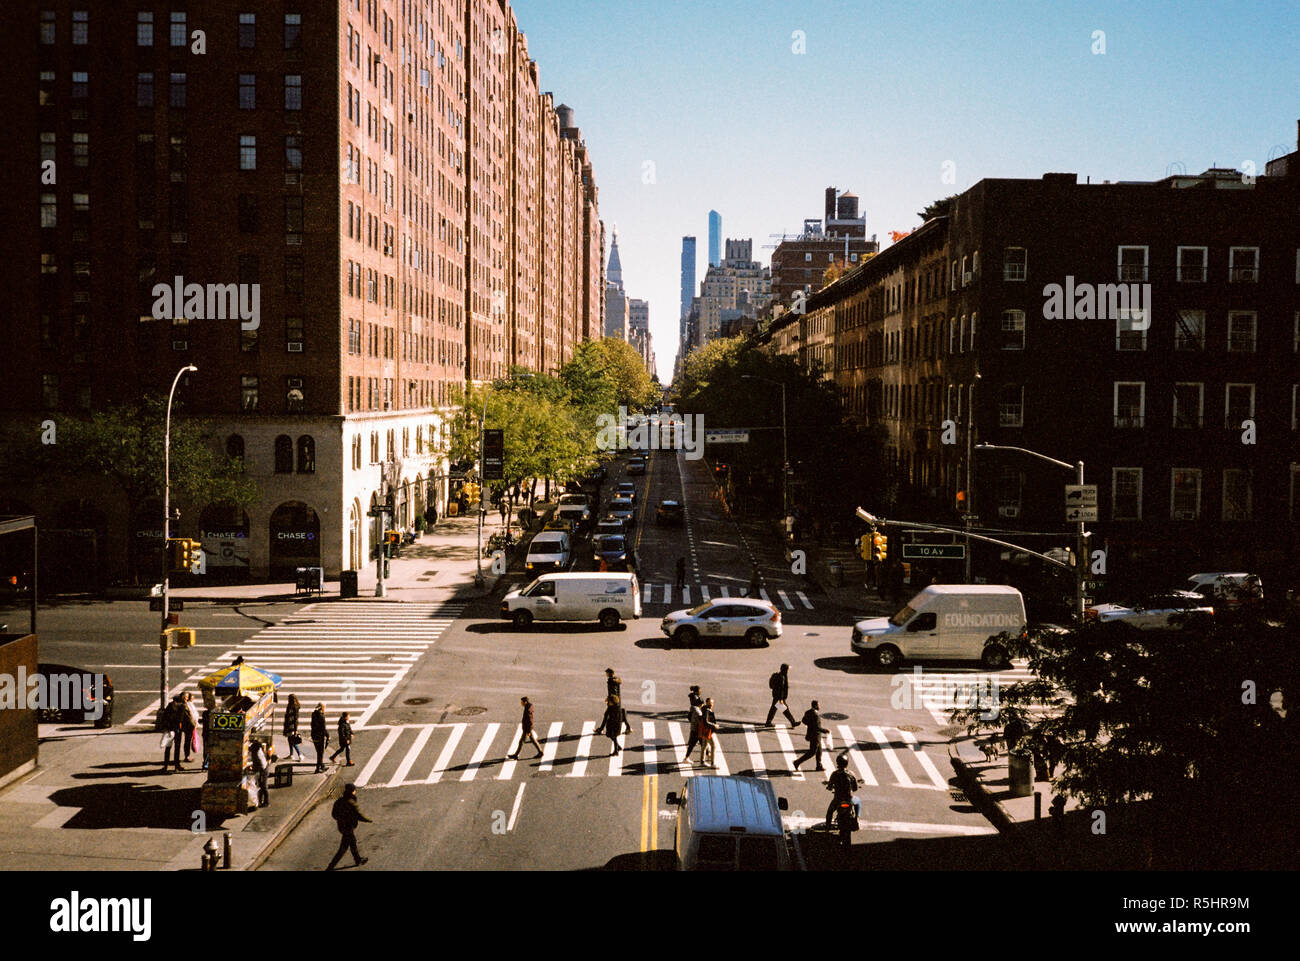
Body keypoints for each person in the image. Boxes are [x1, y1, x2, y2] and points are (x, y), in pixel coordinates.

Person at [326, 784, 371, 870]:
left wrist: (341, 819)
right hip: (348, 827)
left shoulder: (339, 801)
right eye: (354, 790)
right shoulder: (351, 802)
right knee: (343, 848)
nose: (355, 791)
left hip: (342, 827)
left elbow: (334, 814)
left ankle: (358, 859)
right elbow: (359, 815)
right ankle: (331, 866)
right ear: (352, 791)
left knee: (352, 843)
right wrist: (368, 820)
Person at [824, 753, 861, 827]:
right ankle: (856, 819)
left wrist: (829, 787)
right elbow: (855, 788)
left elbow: (830, 787)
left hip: (838, 799)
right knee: (858, 802)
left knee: (830, 812)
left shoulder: (834, 774)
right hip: (849, 798)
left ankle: (827, 826)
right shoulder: (851, 774)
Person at [792, 700, 827, 771]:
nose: (820, 706)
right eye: (819, 705)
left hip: (811, 734)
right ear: (816, 706)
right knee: (812, 752)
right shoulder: (816, 715)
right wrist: (825, 730)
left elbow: (804, 721)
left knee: (819, 751)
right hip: (815, 736)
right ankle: (797, 762)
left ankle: (819, 765)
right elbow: (817, 727)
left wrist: (810, 725)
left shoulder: (808, 712)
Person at [160, 695, 185, 772]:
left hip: (169, 729)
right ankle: (176, 765)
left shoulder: (170, 705)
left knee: (168, 748)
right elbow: (181, 718)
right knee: (176, 748)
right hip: (177, 729)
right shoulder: (182, 706)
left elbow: (165, 716)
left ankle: (166, 765)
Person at [683, 686, 703, 761]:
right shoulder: (697, 709)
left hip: (694, 723)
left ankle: (707, 754)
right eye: (700, 690)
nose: (701, 691)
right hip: (697, 729)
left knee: (697, 741)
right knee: (698, 742)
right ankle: (707, 755)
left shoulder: (693, 696)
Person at [249, 736, 270, 807]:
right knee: (261, 785)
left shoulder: (256, 754)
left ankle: (266, 802)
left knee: (263, 786)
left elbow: (260, 765)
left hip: (263, 770)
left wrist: (253, 769)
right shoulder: (259, 750)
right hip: (264, 768)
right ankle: (260, 801)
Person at [697, 697, 718, 767]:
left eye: (712, 703)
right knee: (713, 746)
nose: (711, 704)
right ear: (707, 703)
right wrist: (714, 725)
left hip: (704, 730)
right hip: (708, 731)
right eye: (710, 703)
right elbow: (706, 722)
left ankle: (702, 762)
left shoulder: (704, 709)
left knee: (704, 746)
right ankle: (712, 763)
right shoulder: (707, 711)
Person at [283, 693, 304, 761]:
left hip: (291, 726)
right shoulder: (292, 706)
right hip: (289, 726)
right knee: (290, 740)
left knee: (292, 741)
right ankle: (291, 754)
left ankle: (300, 754)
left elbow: (295, 718)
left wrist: (295, 730)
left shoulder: (293, 707)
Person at [181, 692, 200, 763]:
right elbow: (190, 716)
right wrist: (194, 725)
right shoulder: (187, 705)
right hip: (189, 725)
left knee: (189, 740)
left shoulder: (190, 704)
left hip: (191, 725)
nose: (193, 698)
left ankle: (187, 755)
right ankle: (187, 756)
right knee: (188, 741)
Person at [311, 703, 329, 773]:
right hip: (320, 736)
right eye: (325, 707)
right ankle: (318, 768)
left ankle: (321, 765)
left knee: (318, 752)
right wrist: (328, 735)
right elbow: (323, 728)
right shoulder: (321, 716)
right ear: (322, 708)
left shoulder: (313, 714)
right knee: (320, 753)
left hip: (314, 735)